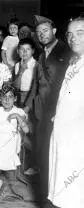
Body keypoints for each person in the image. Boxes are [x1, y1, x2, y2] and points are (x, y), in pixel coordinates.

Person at [24, 15, 71, 204]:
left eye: (45, 30)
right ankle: (47, 195)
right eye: (38, 32)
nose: (41, 34)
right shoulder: (42, 55)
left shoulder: (67, 52)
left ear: (54, 31)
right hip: (41, 113)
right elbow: (36, 84)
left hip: (59, 114)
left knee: (58, 156)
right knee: (43, 153)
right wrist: (25, 108)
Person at [47, 17, 84, 208]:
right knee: (63, 189)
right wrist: (59, 113)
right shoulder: (73, 62)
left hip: (78, 139)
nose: (73, 38)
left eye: (80, 32)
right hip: (63, 133)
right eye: (69, 34)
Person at [13, 38, 38, 106]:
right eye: (22, 49)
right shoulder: (17, 65)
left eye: (28, 49)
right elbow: (16, 86)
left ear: (33, 51)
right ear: (18, 51)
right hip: (19, 96)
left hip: (31, 97)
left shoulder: (36, 65)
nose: (24, 52)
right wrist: (21, 71)